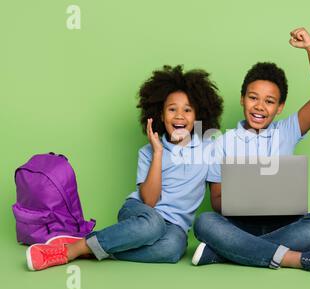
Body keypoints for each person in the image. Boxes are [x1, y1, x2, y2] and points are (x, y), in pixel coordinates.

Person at [26, 65, 223, 271]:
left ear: (198, 116)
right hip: (141, 212)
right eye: (172, 109)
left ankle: (91, 247)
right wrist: (158, 153)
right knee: (153, 224)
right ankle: (72, 250)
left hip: (175, 227)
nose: (180, 116)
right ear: (161, 116)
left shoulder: (208, 150)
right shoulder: (148, 152)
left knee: (173, 250)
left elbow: (218, 192)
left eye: (188, 110)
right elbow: (149, 201)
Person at [192, 27, 310, 276]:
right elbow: (216, 201)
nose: (260, 106)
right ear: (242, 99)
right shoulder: (221, 142)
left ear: (280, 107)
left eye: (269, 101)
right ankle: (294, 258)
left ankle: (225, 253)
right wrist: (246, 191)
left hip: (284, 224)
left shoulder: (287, 131)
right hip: (237, 226)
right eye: (253, 98)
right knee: (204, 222)